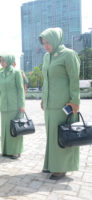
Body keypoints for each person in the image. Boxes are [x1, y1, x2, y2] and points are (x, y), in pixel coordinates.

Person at [39, 27, 80, 180]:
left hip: (64, 105)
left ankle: (61, 168)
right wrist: (44, 98)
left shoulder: (69, 55)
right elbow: (47, 80)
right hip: (50, 105)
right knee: (52, 136)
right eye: (43, 43)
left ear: (56, 40)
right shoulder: (46, 57)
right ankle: (52, 164)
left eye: (48, 42)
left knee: (63, 135)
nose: (46, 46)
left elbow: (74, 80)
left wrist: (75, 102)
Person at [0, 54, 25, 159]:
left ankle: (16, 151)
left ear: (9, 60)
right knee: (5, 129)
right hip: (3, 106)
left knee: (15, 128)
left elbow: (20, 89)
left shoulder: (16, 73)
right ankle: (6, 150)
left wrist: (22, 105)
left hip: (15, 106)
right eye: (0, 61)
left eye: (3, 60)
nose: (2, 62)